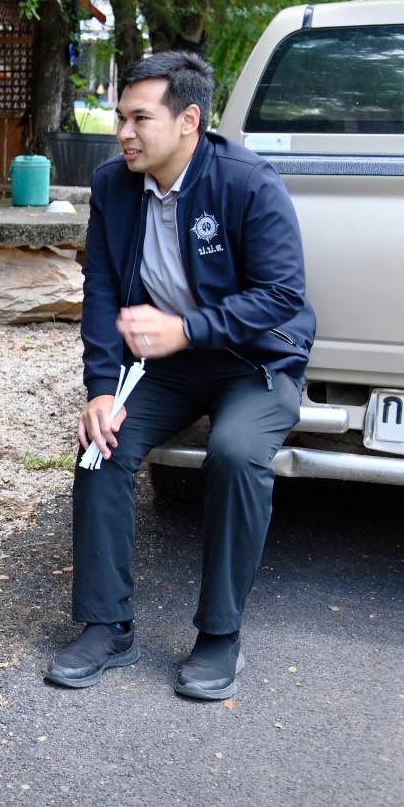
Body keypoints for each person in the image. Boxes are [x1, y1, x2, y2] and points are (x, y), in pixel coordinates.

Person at [46, 51, 314, 702]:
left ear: (189, 119)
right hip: (164, 365)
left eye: (141, 118)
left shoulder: (247, 184)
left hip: (256, 361)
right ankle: (107, 625)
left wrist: (188, 329)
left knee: (234, 454)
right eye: (121, 118)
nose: (125, 133)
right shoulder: (114, 186)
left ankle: (220, 636)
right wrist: (102, 390)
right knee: (99, 446)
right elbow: (103, 294)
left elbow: (283, 296)